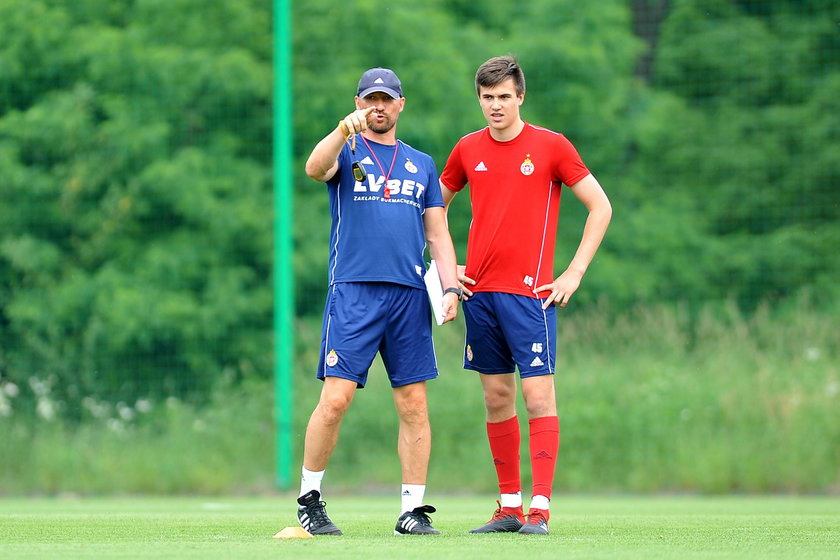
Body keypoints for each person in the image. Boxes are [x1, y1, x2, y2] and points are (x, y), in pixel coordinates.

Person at [440, 55, 612, 535]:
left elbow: (600, 207)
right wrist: (447, 267)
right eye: (487, 97)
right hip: (480, 296)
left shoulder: (551, 146)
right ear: (479, 99)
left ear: (520, 97)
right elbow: (434, 209)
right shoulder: (466, 149)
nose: (495, 106)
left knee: (538, 396)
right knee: (497, 397)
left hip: (530, 296)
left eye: (504, 97)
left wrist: (573, 273)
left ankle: (540, 510)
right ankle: (510, 508)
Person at [296, 67, 461, 536]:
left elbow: (437, 232)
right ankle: (310, 499)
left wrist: (449, 287)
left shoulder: (421, 164)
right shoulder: (346, 150)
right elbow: (312, 168)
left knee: (413, 404)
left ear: (401, 105)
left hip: (409, 296)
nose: (379, 107)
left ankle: (411, 510)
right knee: (335, 399)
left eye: (387, 99)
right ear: (358, 102)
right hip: (354, 290)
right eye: (371, 99)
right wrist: (340, 129)